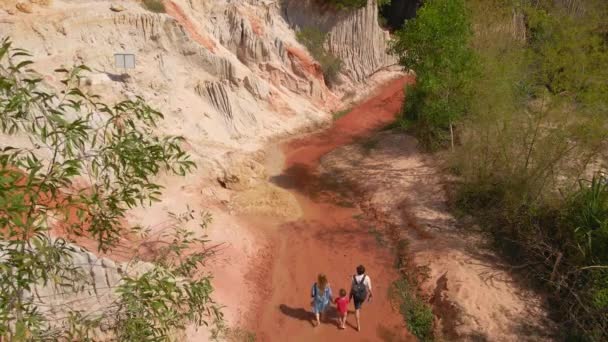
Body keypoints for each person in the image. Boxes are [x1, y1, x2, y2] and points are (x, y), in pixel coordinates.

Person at [350, 264, 372, 332]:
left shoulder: (353, 277)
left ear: (357, 271)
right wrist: (371, 295)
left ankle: (358, 326)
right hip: (363, 296)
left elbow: (352, 288)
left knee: (357, 309)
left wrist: (350, 297)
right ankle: (360, 306)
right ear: (364, 271)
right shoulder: (367, 277)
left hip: (356, 296)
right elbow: (369, 288)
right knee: (360, 303)